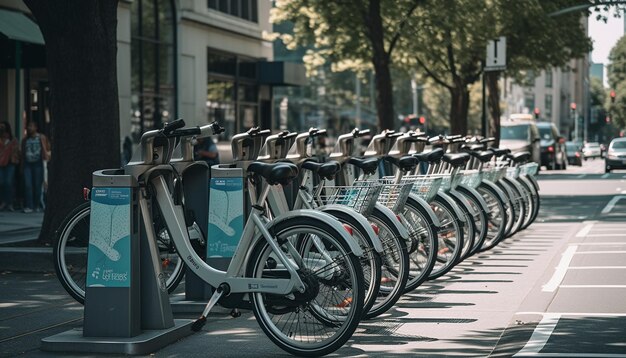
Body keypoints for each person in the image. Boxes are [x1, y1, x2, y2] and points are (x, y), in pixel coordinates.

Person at [21, 121, 50, 213]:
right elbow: (23, 152)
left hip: (38, 163)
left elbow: (46, 148)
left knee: (38, 185)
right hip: (27, 164)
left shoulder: (41, 137)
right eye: (28, 126)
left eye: (31, 126)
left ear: (36, 127)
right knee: (28, 185)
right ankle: (30, 205)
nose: (29, 128)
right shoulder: (25, 139)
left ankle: (37, 205)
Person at [0, 121, 20, 211]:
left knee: (8, 183)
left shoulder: (13, 140)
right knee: (1, 183)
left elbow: (17, 151)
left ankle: (9, 202)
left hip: (10, 164)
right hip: (1, 163)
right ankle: (4, 202)